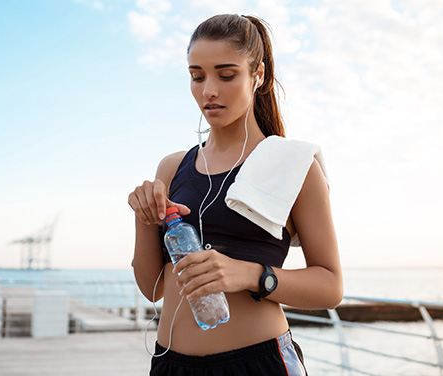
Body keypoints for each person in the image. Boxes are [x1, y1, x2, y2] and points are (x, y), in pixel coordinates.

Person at [128, 14, 343, 376]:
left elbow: (330, 286)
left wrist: (249, 275)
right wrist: (142, 215)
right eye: (197, 76)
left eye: (226, 75)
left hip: (258, 364)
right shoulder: (173, 167)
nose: (208, 90)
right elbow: (153, 288)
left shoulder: (293, 165)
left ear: (258, 75)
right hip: (170, 364)